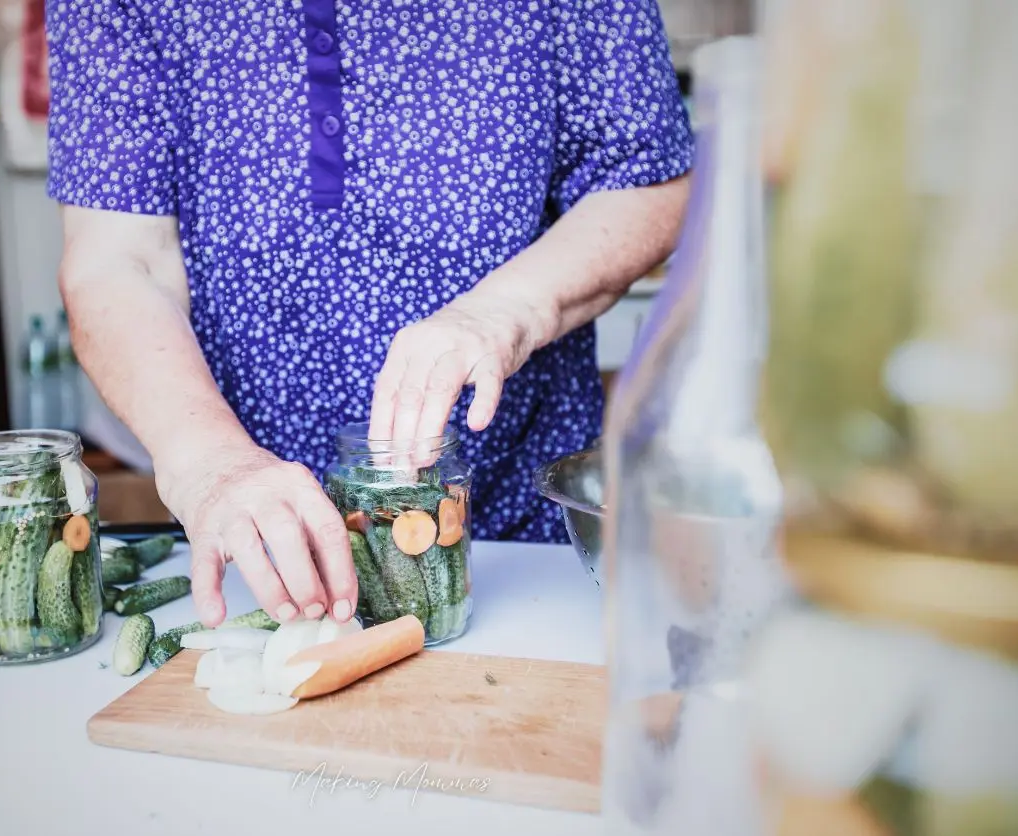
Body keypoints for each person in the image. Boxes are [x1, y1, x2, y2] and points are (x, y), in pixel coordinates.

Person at [44, 0, 693, 629]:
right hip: (260, 563)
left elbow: (649, 179)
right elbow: (115, 263)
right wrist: (210, 461)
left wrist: (506, 309)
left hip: (522, 553)